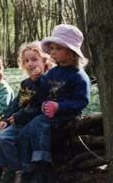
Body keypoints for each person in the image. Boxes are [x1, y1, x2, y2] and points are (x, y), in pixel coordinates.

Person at [18, 24, 91, 182]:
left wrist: (60, 106)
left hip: (66, 115)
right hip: (48, 115)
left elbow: (82, 101)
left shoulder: (79, 76)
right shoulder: (53, 72)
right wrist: (35, 81)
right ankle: (26, 167)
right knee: (24, 132)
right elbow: (41, 90)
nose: (52, 52)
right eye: (51, 48)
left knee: (38, 124)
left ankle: (41, 164)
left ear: (70, 52)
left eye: (57, 48)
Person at [0, 41, 55, 183]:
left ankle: (19, 170)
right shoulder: (27, 83)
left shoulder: (48, 82)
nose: (30, 64)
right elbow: (18, 103)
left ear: (44, 61)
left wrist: (20, 117)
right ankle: (5, 168)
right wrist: (5, 118)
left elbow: (40, 105)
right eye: (26, 61)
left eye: (34, 59)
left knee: (4, 137)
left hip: (32, 121)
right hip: (21, 118)